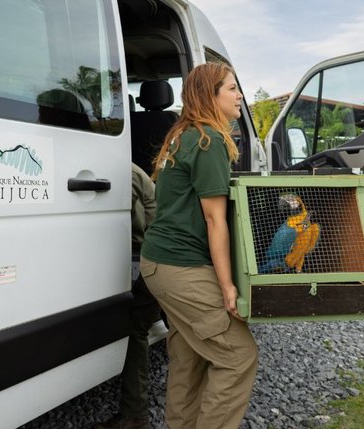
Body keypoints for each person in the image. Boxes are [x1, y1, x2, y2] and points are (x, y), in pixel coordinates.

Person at [138, 62, 258, 429]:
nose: (240, 96)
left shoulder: (183, 134)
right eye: (232, 89)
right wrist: (227, 287)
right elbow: (214, 219)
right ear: (211, 95)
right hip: (180, 267)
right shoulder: (210, 140)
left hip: (158, 264)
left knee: (189, 358)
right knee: (239, 356)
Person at [94, 163, 162, 429]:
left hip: (154, 257)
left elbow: (119, 222)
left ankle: (135, 415)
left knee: (137, 327)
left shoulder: (124, 171)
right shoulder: (130, 170)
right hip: (161, 255)